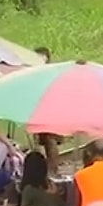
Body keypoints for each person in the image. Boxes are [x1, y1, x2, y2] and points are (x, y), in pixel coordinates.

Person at [31, 47, 63, 175]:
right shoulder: (34, 74)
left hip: (51, 111)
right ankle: (43, 169)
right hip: (38, 110)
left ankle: (53, 169)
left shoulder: (52, 74)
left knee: (50, 140)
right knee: (40, 141)